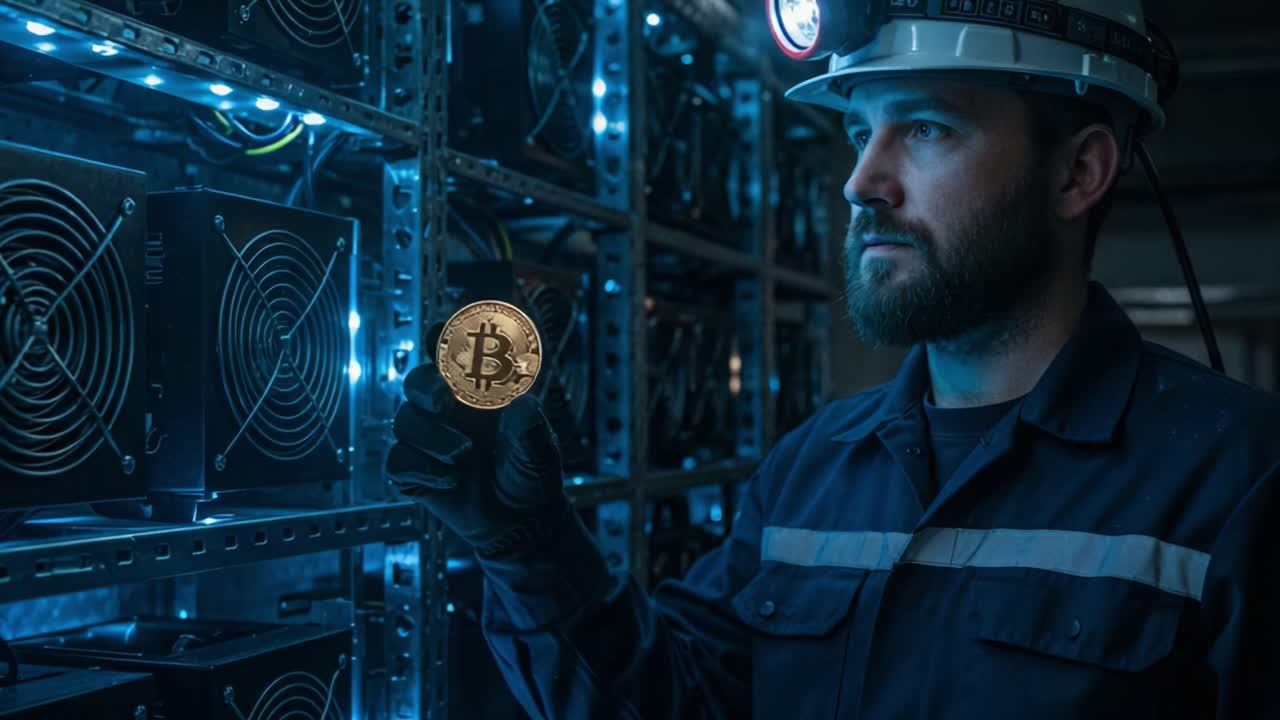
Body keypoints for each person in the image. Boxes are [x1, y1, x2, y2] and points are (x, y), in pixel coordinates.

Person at [387, 3, 1280, 717]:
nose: (862, 181)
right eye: (861, 132)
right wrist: (528, 544)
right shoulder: (813, 469)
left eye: (927, 129)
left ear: (1079, 173)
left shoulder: (1233, 482)